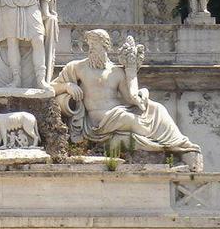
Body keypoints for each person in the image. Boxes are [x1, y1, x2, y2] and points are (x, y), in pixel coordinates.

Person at [52, 30, 203, 171]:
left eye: (94, 44)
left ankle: (182, 146)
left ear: (106, 45)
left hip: (118, 112)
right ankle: (169, 145)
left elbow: (130, 98)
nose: (90, 48)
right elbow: (51, 88)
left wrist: (133, 76)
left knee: (158, 108)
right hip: (97, 121)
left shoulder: (117, 72)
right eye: (89, 44)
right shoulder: (77, 67)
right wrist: (67, 86)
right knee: (130, 119)